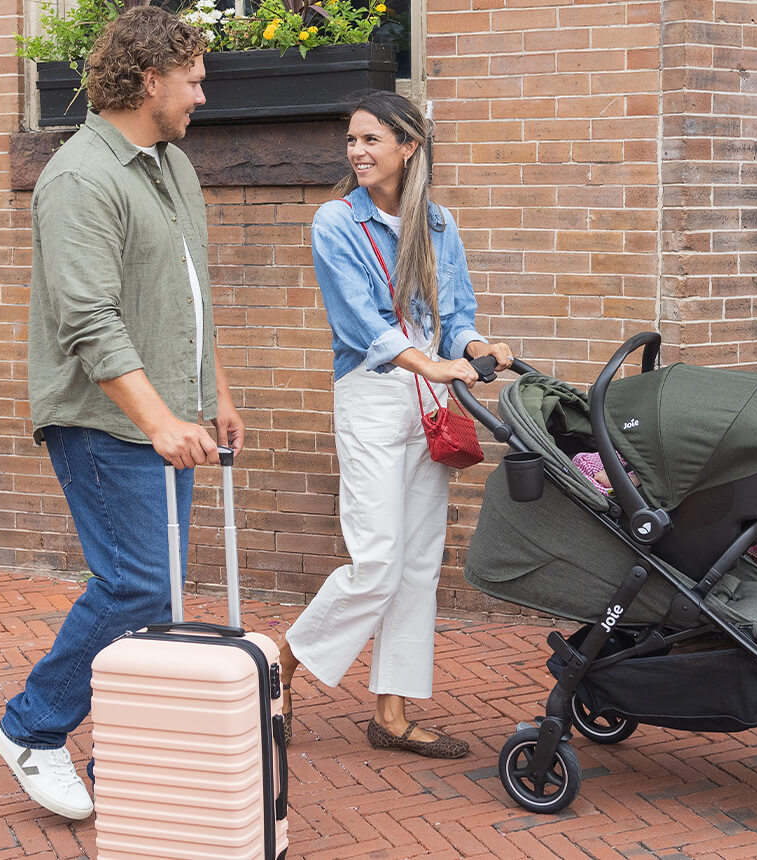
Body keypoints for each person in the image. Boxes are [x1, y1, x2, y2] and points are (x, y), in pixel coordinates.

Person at [0, 7, 244, 820]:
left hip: (171, 413)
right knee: (136, 585)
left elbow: (190, 298)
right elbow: (87, 320)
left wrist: (215, 399)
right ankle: (33, 729)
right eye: (194, 79)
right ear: (150, 80)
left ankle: (128, 751)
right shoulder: (79, 179)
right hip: (105, 422)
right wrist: (160, 419)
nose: (202, 96)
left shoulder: (169, 165)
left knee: (159, 594)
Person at [279, 90, 512, 759]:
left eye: (371, 140)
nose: (357, 152)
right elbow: (360, 323)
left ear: (408, 147)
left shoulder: (438, 227)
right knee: (377, 559)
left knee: (415, 563)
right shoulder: (336, 223)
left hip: (431, 406)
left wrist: (473, 349)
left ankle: (392, 712)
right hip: (376, 398)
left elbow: (457, 313)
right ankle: (280, 667)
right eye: (352, 140)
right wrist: (432, 365)